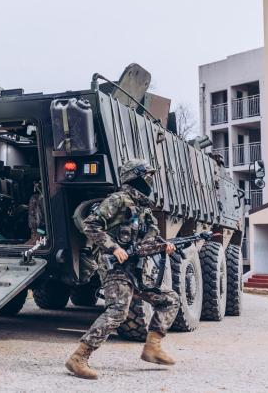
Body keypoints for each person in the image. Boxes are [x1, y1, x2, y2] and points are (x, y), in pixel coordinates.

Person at [66, 159, 180, 380]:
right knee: (118, 311)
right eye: (147, 176)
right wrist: (113, 246)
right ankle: (78, 357)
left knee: (169, 299)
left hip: (137, 270)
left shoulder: (144, 209)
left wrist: (164, 246)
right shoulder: (118, 200)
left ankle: (152, 348)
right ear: (135, 177)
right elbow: (90, 224)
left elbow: (148, 239)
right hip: (115, 268)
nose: (150, 181)